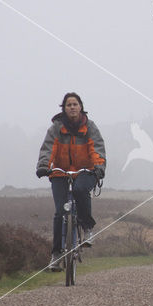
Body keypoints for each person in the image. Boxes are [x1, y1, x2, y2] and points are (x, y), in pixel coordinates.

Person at [36, 92, 106, 271]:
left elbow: (96, 148)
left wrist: (98, 167)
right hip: (60, 172)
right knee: (60, 212)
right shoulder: (56, 128)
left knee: (80, 190)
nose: (72, 107)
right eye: (69, 105)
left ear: (81, 107)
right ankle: (57, 254)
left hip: (86, 171)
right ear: (64, 108)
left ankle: (87, 227)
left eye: (75, 104)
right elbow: (48, 148)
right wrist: (44, 165)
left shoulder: (90, 127)